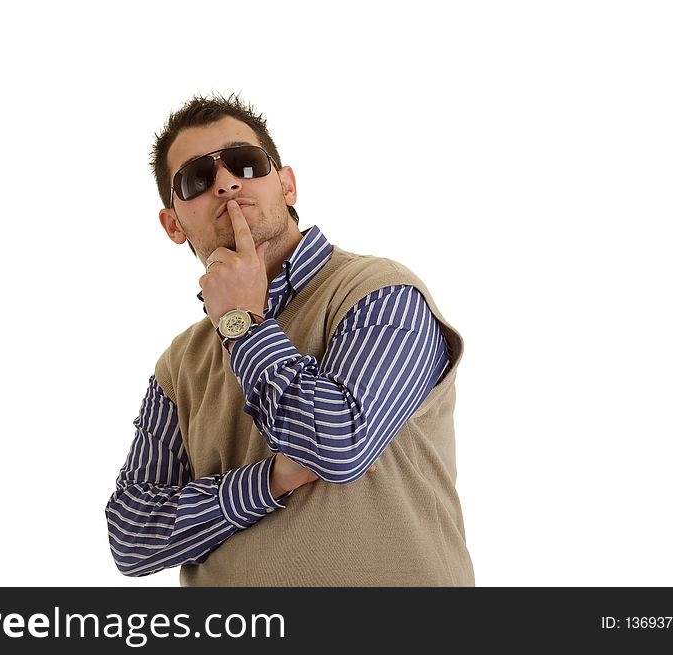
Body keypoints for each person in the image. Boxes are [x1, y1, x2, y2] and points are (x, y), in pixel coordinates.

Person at [105, 92, 474, 586]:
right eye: (197, 178)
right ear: (173, 225)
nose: (227, 182)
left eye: (245, 163)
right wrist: (268, 482)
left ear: (287, 184)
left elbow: (336, 446)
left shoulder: (379, 292)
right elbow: (131, 537)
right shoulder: (181, 364)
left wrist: (242, 322)